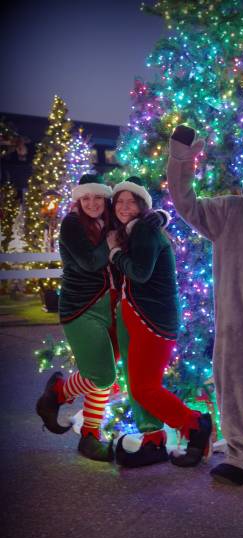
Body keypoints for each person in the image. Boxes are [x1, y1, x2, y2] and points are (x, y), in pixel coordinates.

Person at [36, 173, 169, 462]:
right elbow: (90, 261)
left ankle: (89, 434)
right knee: (102, 375)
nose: (93, 203)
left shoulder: (110, 221)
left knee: (106, 374)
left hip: (111, 307)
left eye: (98, 197)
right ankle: (58, 393)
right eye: (86, 198)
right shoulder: (72, 224)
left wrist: (157, 217)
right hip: (81, 308)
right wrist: (110, 243)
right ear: (79, 200)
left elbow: (137, 223)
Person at [107, 176, 212, 468]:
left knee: (144, 388)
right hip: (139, 316)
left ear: (142, 205)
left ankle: (195, 425)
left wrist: (115, 253)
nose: (124, 207)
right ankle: (154, 442)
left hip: (152, 320)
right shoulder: (135, 230)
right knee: (139, 385)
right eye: (119, 202)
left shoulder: (143, 229)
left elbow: (140, 273)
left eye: (131, 202)